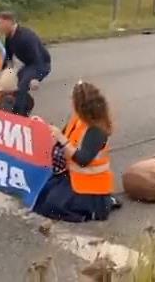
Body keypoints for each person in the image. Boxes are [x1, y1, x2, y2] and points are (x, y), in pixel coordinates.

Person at [33, 82, 119, 222]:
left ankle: (97, 208)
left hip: (91, 186)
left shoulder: (96, 131)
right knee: (39, 195)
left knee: (51, 206)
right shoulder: (77, 120)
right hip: (73, 176)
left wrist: (61, 139)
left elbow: (83, 160)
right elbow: (63, 139)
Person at [0, 11, 51, 117]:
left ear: (9, 22)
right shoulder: (9, 37)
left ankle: (19, 116)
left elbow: (39, 59)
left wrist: (36, 78)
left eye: (1, 23)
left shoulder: (26, 37)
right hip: (29, 65)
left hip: (41, 65)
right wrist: (1, 74)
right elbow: (8, 57)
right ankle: (23, 105)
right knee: (16, 82)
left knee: (23, 85)